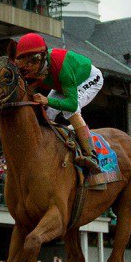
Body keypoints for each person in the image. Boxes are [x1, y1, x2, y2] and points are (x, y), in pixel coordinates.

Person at [15, 33, 103, 174]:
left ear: (43, 57)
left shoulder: (63, 67)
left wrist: (47, 100)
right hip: (62, 84)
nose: (29, 67)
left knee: (71, 111)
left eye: (34, 60)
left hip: (88, 78)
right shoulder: (31, 68)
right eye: (24, 62)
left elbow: (72, 104)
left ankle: (91, 155)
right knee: (48, 113)